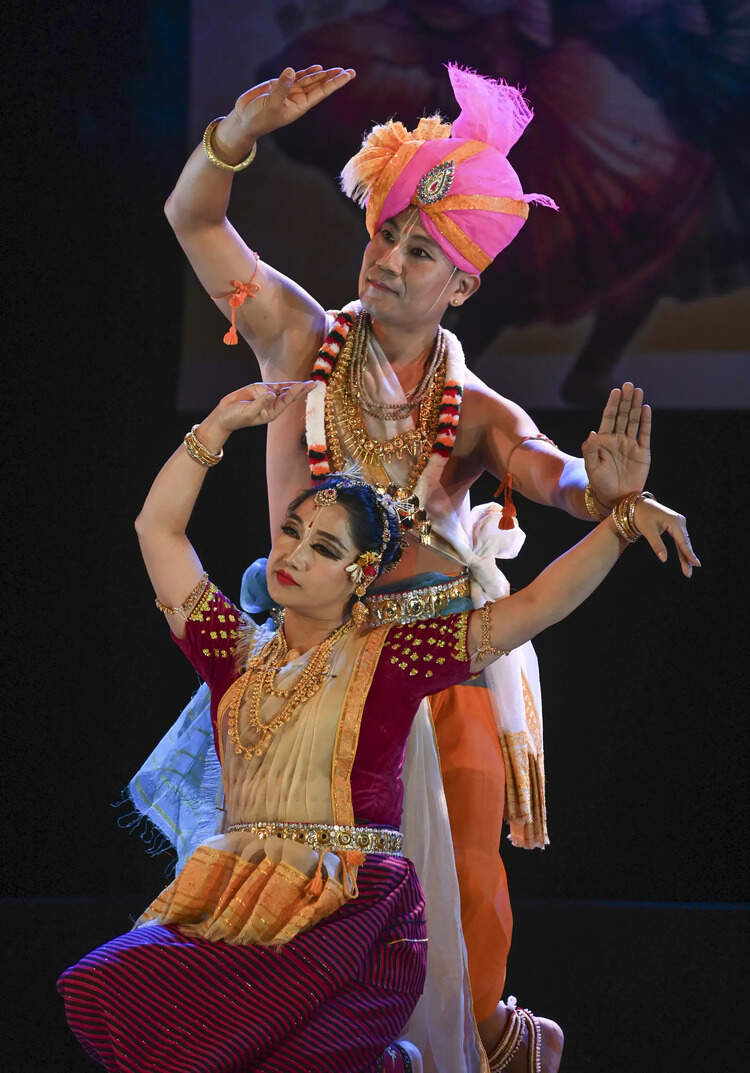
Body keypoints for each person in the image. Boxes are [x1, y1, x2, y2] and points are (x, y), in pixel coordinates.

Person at [160, 62, 669, 1060]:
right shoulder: (296, 338)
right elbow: (193, 217)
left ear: (463, 283)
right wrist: (235, 131)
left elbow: (549, 471)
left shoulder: (474, 413)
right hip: (307, 680)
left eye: (421, 249)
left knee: (466, 899)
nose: (391, 255)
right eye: (389, 230)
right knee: (294, 914)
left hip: (436, 670)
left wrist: (602, 487)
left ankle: (487, 1039)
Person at [58, 379, 698, 1073]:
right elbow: (158, 531)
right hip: (237, 905)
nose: (294, 555)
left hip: (352, 921)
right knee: (101, 988)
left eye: (324, 548)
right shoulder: (232, 653)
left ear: (362, 574)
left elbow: (536, 605)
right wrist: (214, 428)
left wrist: (622, 520)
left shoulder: (391, 659)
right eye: (292, 533)